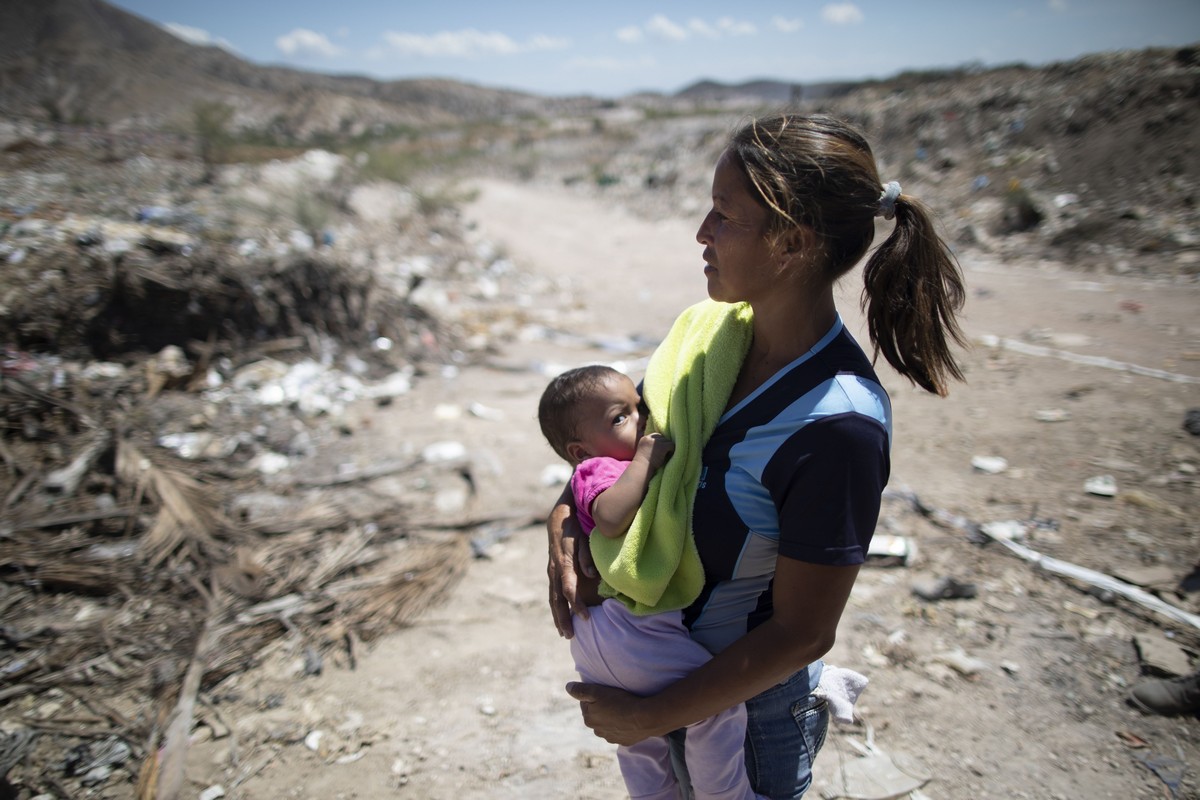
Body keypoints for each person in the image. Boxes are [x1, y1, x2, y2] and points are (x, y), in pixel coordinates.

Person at [547, 113, 967, 799]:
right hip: (661, 670)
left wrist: (651, 715)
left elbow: (803, 633)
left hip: (748, 715)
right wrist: (560, 526)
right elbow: (614, 458)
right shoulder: (705, 344)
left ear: (793, 242)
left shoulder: (836, 426)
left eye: (724, 217)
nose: (702, 235)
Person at [538, 364, 765, 800]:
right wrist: (645, 458)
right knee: (715, 709)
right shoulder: (598, 471)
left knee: (638, 740)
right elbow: (609, 518)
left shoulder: (606, 462)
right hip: (632, 635)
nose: (641, 421)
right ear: (580, 450)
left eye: (638, 407)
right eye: (620, 418)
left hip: (598, 641)